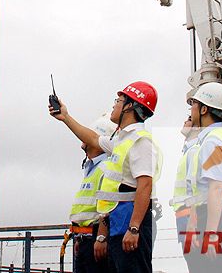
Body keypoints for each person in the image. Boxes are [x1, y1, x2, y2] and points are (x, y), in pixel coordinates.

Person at [49, 81, 161, 273]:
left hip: (131, 226)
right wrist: (65, 117)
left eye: (119, 100)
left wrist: (134, 228)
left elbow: (145, 185)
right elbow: (92, 138)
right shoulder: (121, 140)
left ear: (130, 106)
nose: (114, 104)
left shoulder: (140, 141)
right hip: (118, 224)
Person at [185, 82, 222, 273]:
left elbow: (216, 188)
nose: (191, 108)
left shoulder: (212, 141)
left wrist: (211, 233)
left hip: (220, 218)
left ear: (204, 109)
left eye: (194, 104)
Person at [69, 115, 117, 273]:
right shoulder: (91, 167)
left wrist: (100, 237)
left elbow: (107, 207)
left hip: (95, 240)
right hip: (84, 239)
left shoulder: (105, 168)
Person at [169, 115, 199, 271]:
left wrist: (193, 224)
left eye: (189, 118)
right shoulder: (189, 151)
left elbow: (198, 190)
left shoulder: (194, 151)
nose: (184, 121)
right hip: (185, 219)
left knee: (197, 265)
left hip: (191, 220)